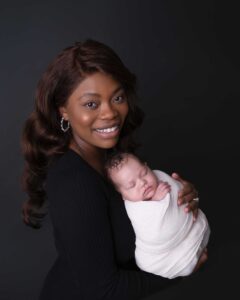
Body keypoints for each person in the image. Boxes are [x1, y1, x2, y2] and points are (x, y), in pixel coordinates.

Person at [21, 39, 206, 300]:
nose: (110, 113)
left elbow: (144, 223)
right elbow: (102, 290)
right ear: (64, 111)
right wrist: (183, 268)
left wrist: (181, 202)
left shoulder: (112, 157)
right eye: (91, 104)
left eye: (117, 98)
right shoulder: (73, 182)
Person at [106, 152, 210, 279]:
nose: (142, 182)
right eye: (132, 185)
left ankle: (196, 245)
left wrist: (187, 192)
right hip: (164, 254)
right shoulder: (135, 209)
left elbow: (181, 192)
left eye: (144, 173)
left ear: (147, 166)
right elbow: (152, 231)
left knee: (200, 228)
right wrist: (156, 201)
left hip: (191, 228)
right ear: (122, 195)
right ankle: (190, 261)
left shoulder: (159, 175)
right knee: (146, 262)